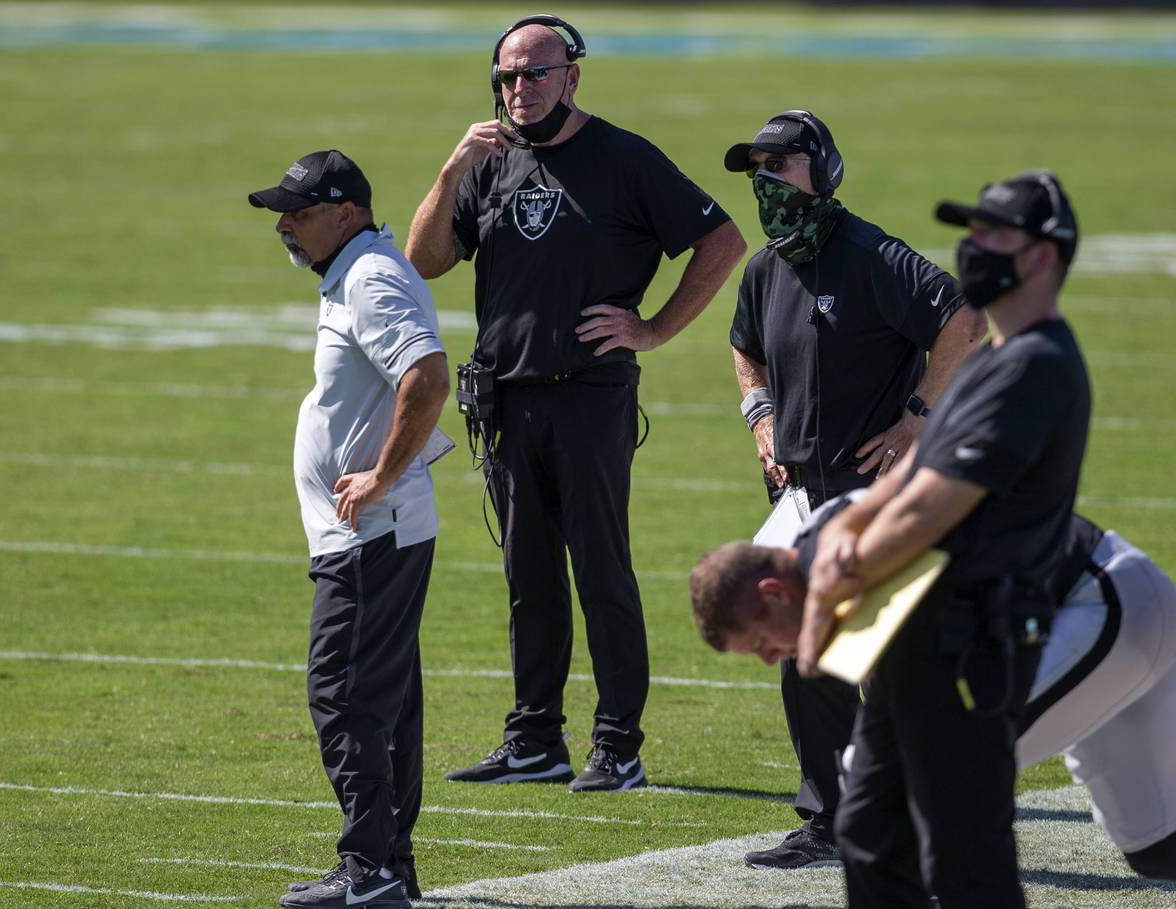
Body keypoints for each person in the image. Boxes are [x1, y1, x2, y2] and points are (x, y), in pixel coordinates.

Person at [406, 15, 746, 792]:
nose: (518, 90)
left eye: (534, 73)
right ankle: (534, 739)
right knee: (528, 574)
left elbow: (722, 240)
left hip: (591, 398)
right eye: (506, 77)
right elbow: (425, 260)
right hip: (507, 399)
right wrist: (452, 168)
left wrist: (653, 327)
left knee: (601, 569)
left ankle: (619, 744)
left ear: (573, 76)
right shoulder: (489, 161)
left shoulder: (624, 158)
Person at [794, 170, 1090, 908]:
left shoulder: (1037, 367)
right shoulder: (993, 356)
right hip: (915, 636)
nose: (973, 247)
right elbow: (906, 477)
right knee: (869, 833)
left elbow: (931, 507)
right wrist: (847, 527)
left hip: (969, 644)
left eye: (995, 236)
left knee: (966, 860)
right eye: (972, 231)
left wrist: (838, 572)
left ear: (1044, 257)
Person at [723, 110, 987, 868]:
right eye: (756, 171)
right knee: (805, 652)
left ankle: (894, 806)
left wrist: (916, 416)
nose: (766, 182)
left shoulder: (870, 252)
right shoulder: (767, 265)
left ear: (823, 170)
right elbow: (745, 348)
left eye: (780, 166)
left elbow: (964, 319)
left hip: (867, 493)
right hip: (801, 495)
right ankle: (841, 813)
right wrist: (760, 414)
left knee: (865, 657)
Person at [690, 508, 1176, 882]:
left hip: (1098, 603)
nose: (770, 659)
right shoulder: (825, 558)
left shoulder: (844, 568)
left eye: (759, 643)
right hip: (1095, 613)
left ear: (775, 593)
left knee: (926, 772)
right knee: (1156, 848)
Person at [249, 149, 450, 909]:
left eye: (296, 214)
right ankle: (388, 864)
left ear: (345, 212)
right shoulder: (355, 272)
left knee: (343, 694)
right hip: (373, 532)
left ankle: (369, 867)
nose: (285, 229)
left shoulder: (370, 276)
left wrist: (381, 476)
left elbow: (426, 377)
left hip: (374, 531)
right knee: (385, 699)